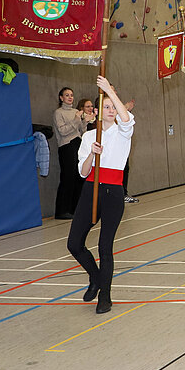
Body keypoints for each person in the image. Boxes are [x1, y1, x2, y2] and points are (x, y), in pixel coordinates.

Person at [67, 76, 133, 314]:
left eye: (114, 106)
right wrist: (91, 155)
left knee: (105, 246)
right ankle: (96, 278)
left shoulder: (122, 132)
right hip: (91, 190)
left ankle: (105, 296)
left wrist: (109, 91)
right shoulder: (88, 137)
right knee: (74, 243)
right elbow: (83, 172)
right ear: (96, 112)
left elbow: (126, 118)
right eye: (106, 106)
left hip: (113, 192)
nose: (111, 110)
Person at [53, 87, 92, 219]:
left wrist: (85, 121)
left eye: (71, 95)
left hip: (77, 145)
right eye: (67, 95)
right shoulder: (58, 113)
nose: (70, 97)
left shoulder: (76, 112)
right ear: (61, 98)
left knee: (78, 177)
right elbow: (63, 131)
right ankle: (62, 210)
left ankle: (75, 209)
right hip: (66, 146)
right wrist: (76, 120)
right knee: (68, 178)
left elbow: (81, 131)